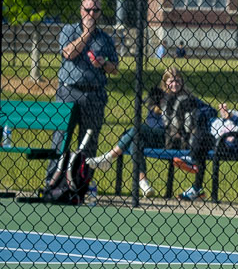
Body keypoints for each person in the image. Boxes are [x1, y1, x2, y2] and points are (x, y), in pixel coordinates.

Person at [86, 67, 207, 198]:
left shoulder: (189, 98)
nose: (175, 84)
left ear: (182, 82)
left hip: (176, 140)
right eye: (171, 81)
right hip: (157, 136)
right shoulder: (159, 98)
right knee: (136, 140)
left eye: (178, 80)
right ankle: (143, 182)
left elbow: (208, 110)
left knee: (137, 130)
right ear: (165, 83)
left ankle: (109, 158)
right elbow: (152, 122)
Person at [49, 0, 120, 176]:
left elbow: (115, 68)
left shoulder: (105, 38)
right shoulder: (69, 30)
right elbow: (68, 53)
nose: (91, 13)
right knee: (61, 137)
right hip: (69, 91)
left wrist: (103, 63)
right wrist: (86, 33)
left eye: (95, 10)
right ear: (81, 11)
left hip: (94, 94)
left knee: (89, 141)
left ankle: (82, 183)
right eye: (88, 10)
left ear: (100, 13)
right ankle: (53, 180)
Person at [175, 74, 238, 201]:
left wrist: (231, 117)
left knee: (202, 143)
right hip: (227, 141)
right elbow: (234, 124)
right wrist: (226, 117)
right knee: (202, 135)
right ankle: (196, 184)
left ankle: (194, 169)